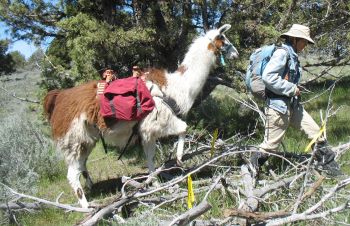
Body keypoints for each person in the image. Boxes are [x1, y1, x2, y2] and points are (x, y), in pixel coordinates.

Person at [250, 24, 342, 177]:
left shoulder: (292, 55)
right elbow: (268, 77)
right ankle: (251, 171)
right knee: (270, 147)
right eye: (304, 42)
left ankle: (333, 173)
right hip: (278, 108)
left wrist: (294, 89)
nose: (305, 45)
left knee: (317, 134)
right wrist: (292, 89)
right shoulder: (282, 53)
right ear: (294, 39)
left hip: (292, 105)